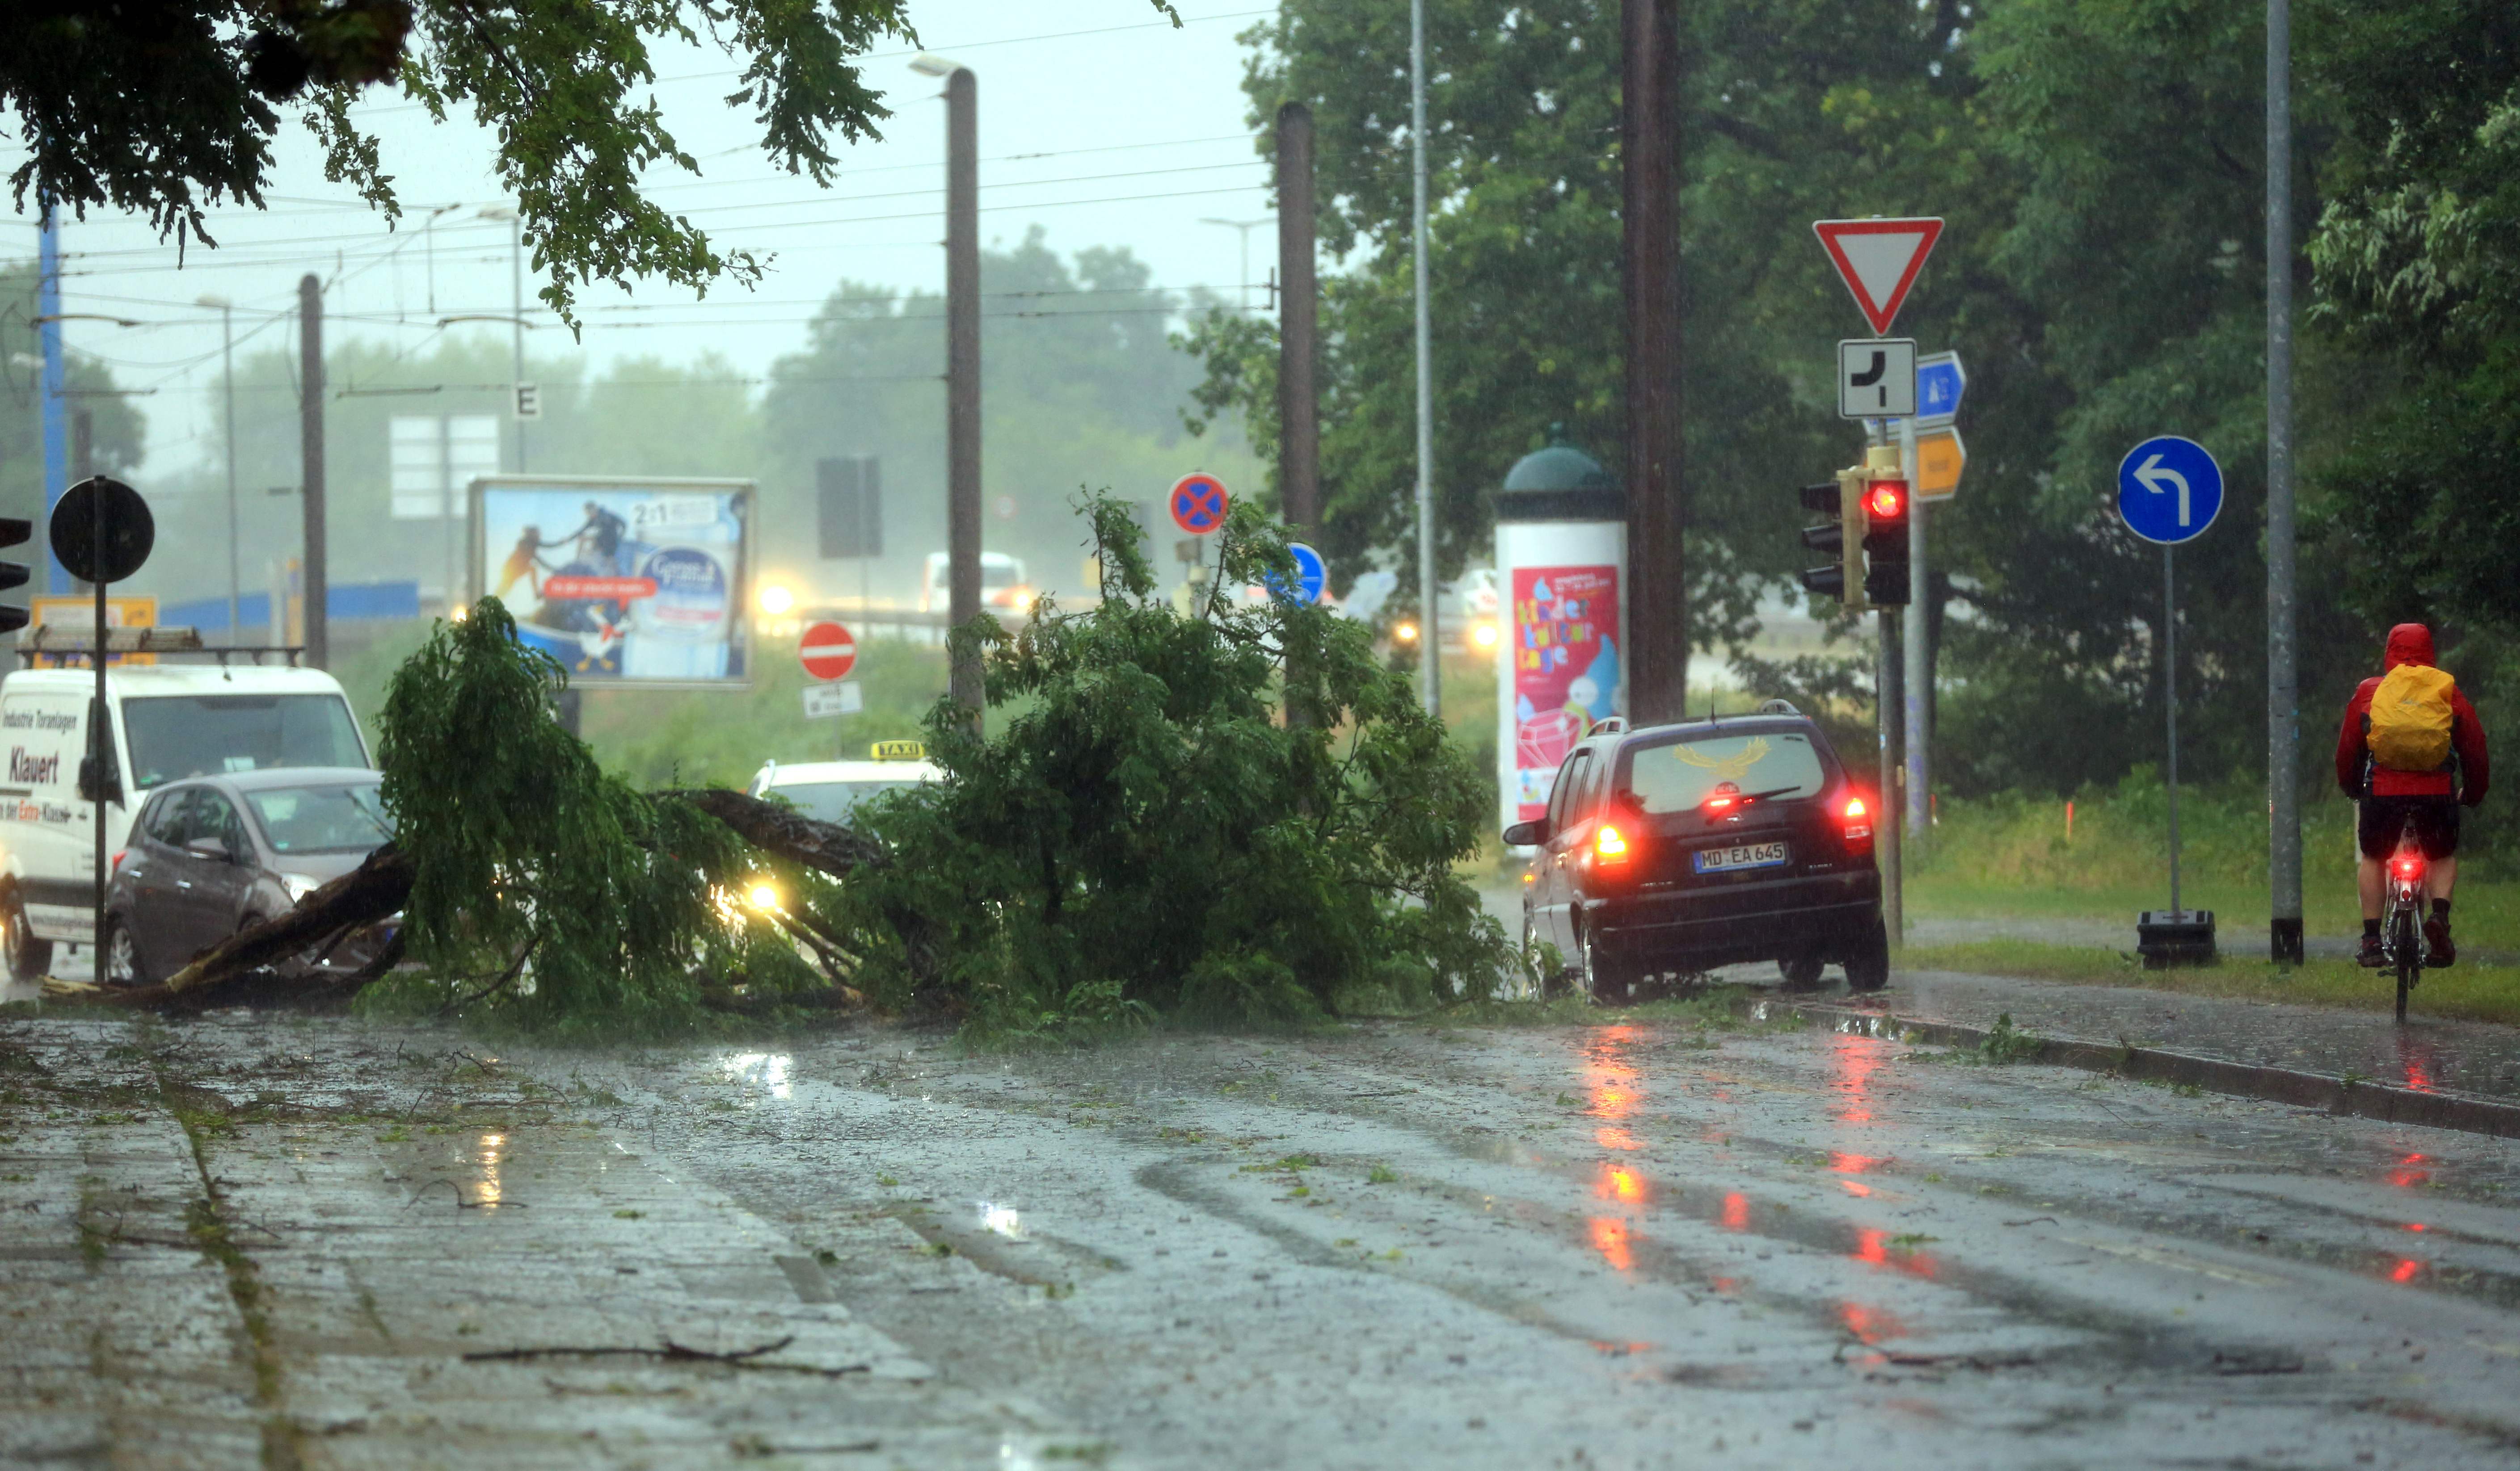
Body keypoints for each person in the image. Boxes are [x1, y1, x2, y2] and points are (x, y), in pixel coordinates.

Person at [2335, 623, 2489, 967]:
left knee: (2375, 856)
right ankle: (2439, 917)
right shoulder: (2447, 690)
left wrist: (2352, 787)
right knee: (2442, 854)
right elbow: (2475, 748)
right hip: (2436, 793)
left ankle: (2372, 940)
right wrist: (2474, 793)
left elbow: (2348, 750)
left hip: (2383, 792)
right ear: (2431, 652)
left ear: (2389, 652)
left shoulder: (2371, 691)